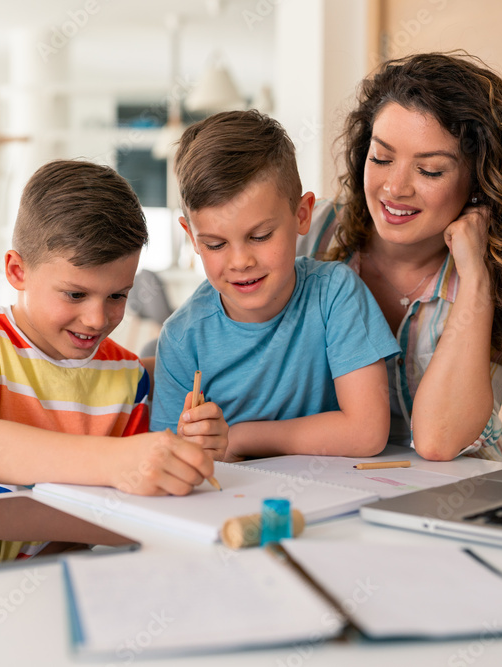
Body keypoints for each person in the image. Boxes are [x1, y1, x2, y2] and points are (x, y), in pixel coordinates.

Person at [302, 52, 502, 464]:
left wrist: (476, 278)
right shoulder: (315, 235)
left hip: (466, 485)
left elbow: (438, 440)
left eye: (430, 170)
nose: (394, 188)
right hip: (342, 480)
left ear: (479, 180)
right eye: (381, 158)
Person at [0, 159, 226, 509]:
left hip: (83, 556)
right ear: (18, 271)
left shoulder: (126, 375)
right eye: (76, 294)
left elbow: (125, 498)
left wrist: (185, 452)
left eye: (117, 296)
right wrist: (116, 460)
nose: (97, 320)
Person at [151, 110, 400, 461]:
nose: (240, 262)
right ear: (190, 236)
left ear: (302, 215)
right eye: (215, 244)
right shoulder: (181, 337)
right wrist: (195, 446)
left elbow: (367, 432)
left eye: (260, 236)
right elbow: (168, 457)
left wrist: (239, 438)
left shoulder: (335, 294)